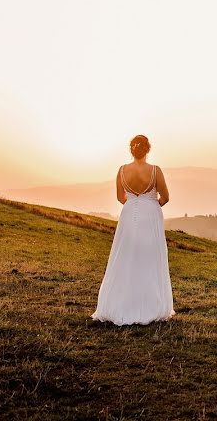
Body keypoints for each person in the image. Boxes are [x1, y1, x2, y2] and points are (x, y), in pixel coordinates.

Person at [91, 135, 175, 325]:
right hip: (151, 214)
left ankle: (120, 303)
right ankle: (151, 304)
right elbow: (166, 197)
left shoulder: (122, 170)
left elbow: (121, 197)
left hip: (129, 215)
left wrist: (135, 204)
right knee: (150, 257)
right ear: (148, 149)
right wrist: (151, 206)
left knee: (126, 256)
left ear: (131, 150)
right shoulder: (155, 170)